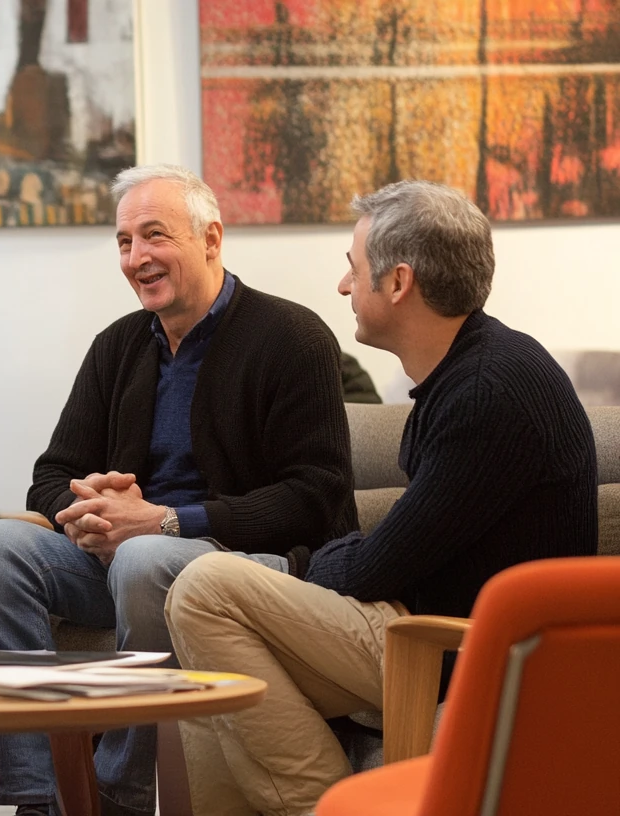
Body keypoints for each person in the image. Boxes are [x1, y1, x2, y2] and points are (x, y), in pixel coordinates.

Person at [164, 180, 599, 816]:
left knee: (205, 588)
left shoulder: (486, 394)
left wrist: (298, 564)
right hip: (433, 627)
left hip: (456, 648)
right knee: (209, 685)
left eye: (353, 268)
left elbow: (377, 565)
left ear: (397, 282)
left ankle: (327, 804)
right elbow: (400, 545)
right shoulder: (474, 370)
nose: (344, 287)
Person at [0, 165, 358, 816]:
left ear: (211, 238)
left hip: (244, 566)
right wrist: (87, 510)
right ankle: (42, 797)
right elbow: (48, 476)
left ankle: (121, 795)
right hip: (128, 556)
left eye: (154, 236)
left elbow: (315, 496)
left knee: (145, 559)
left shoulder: (293, 337)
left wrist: (165, 521)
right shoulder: (117, 347)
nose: (137, 257)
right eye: (123, 242)